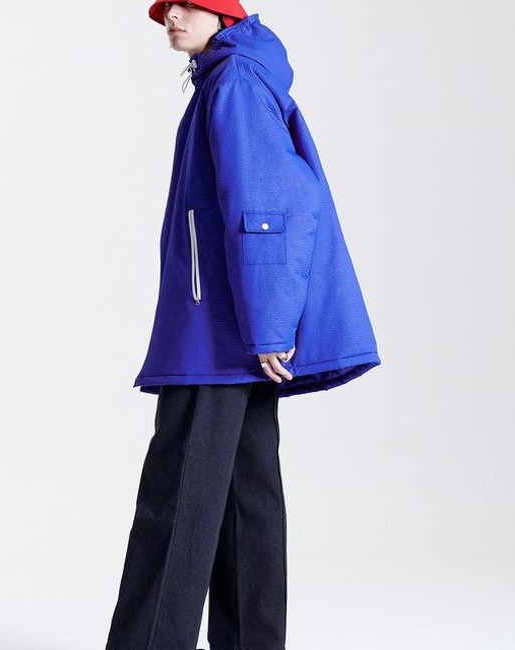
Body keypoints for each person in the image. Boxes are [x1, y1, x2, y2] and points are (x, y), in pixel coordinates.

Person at [105, 2, 381, 649]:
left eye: (187, 4)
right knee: (244, 501)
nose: (171, 16)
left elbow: (270, 205)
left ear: (222, 14)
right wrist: (265, 325)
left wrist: (269, 325)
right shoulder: (233, 76)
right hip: (234, 324)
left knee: (176, 501)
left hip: (219, 330)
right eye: (166, 6)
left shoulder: (234, 83)